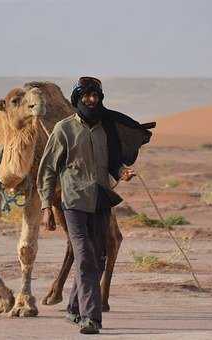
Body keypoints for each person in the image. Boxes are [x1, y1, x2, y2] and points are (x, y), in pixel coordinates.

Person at [37, 76, 136, 334]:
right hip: (74, 202)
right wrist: (46, 207)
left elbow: (113, 162)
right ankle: (91, 318)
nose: (91, 100)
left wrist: (122, 172)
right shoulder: (64, 129)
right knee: (84, 258)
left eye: (96, 96)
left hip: (101, 200)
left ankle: (73, 308)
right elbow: (48, 169)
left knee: (99, 257)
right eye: (87, 96)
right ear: (78, 98)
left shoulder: (106, 129)